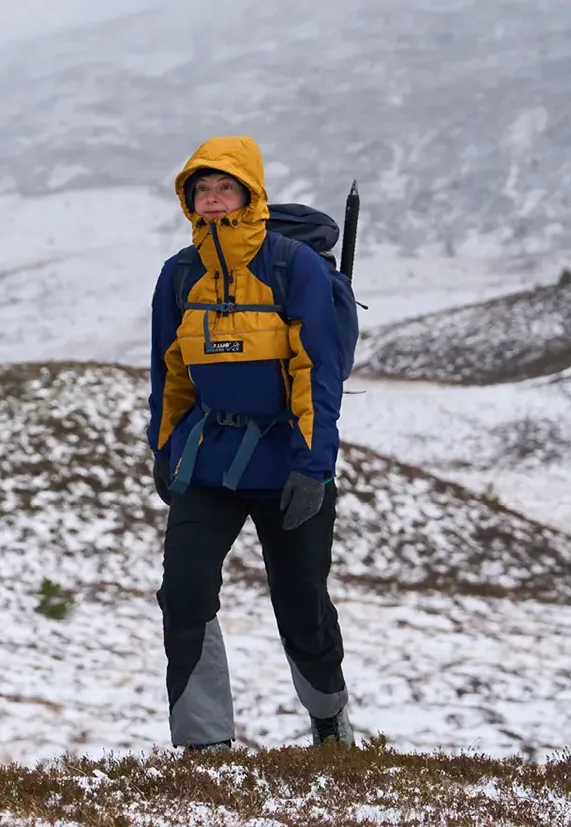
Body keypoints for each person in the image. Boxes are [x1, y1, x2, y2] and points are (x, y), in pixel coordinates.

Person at [146, 135, 354, 751]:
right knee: (182, 594)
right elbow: (170, 371)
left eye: (224, 189)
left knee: (301, 605)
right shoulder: (179, 274)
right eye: (201, 191)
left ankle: (329, 723)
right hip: (209, 465)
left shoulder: (296, 267)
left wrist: (313, 468)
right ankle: (204, 749)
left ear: (250, 193)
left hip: (289, 463)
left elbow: (318, 371)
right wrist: (165, 451)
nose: (212, 201)